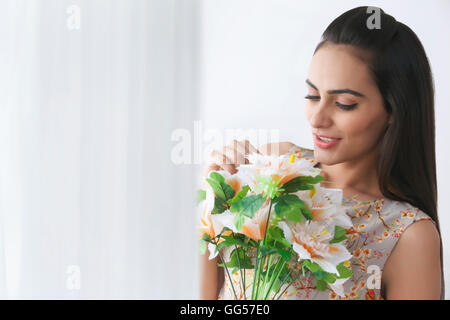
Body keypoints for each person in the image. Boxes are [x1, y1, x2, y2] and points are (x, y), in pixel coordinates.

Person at [199, 6, 444, 300]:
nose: (316, 118)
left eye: (343, 103)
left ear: (394, 110)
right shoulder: (274, 169)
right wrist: (213, 196)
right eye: (312, 95)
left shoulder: (407, 235)